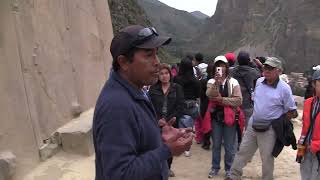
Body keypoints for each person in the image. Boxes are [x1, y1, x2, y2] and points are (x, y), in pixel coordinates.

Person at [92, 25, 193, 180]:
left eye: (156, 54)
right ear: (124, 62)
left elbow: (136, 142)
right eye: (148, 55)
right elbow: (119, 174)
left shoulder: (135, 90)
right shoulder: (116, 106)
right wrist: (166, 150)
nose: (157, 62)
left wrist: (158, 134)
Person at [230, 57, 298, 180]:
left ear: (279, 71)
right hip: (253, 124)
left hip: (270, 129)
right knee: (243, 152)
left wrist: (279, 122)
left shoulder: (284, 89)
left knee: (266, 158)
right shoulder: (259, 82)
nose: (266, 70)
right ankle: (233, 176)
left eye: (270, 68)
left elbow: (291, 111)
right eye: (265, 67)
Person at [206, 55, 243, 179]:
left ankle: (229, 169)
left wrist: (222, 100)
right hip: (216, 118)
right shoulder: (211, 82)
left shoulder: (233, 82)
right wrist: (216, 82)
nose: (220, 69)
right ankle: (215, 167)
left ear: (227, 67)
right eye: (218, 66)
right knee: (216, 144)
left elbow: (238, 100)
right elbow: (210, 96)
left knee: (229, 146)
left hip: (230, 118)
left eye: (222, 66)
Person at [148, 63, 184, 177]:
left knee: (169, 146)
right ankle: (157, 168)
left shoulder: (177, 88)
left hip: (172, 123)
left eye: (166, 73)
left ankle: (167, 168)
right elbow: (150, 107)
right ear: (158, 75)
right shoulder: (153, 89)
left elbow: (180, 105)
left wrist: (170, 119)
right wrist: (158, 120)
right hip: (157, 124)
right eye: (161, 73)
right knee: (157, 145)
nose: (164, 76)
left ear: (170, 74)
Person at [174, 58, 201, 157]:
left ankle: (180, 145)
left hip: (179, 105)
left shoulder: (176, 79)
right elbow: (198, 96)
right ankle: (187, 148)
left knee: (180, 127)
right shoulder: (195, 81)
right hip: (192, 107)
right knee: (189, 128)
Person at [298, 69, 320, 180]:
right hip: (306, 149)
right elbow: (305, 128)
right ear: (313, 84)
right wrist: (301, 146)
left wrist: (316, 145)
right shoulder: (308, 103)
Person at [231, 51, 261, 128]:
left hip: (234, 103)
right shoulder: (252, 72)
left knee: (234, 126)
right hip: (247, 104)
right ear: (248, 61)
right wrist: (252, 63)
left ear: (238, 60)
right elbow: (259, 72)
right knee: (248, 127)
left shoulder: (232, 71)